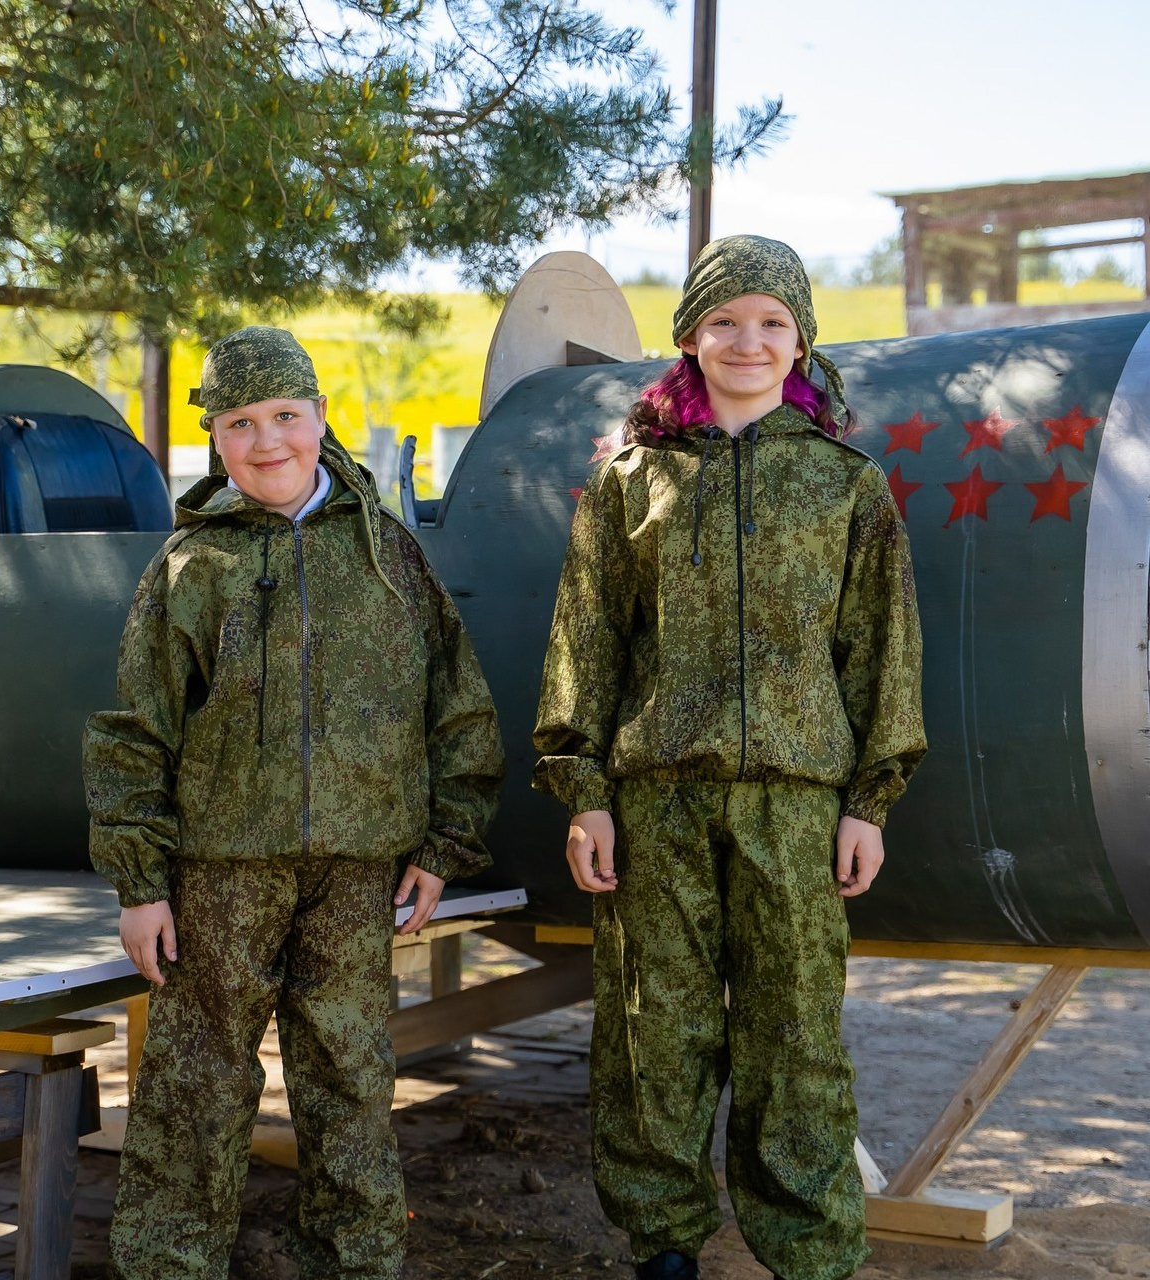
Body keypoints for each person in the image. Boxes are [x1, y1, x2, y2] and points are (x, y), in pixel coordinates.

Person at [532, 235, 926, 1280]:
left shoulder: (843, 483)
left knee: (793, 1039)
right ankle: (662, 1243)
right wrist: (584, 792)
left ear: (798, 339)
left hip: (795, 806)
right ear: (689, 336)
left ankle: (805, 1252)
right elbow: (587, 640)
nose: (746, 340)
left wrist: (865, 803)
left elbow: (880, 652)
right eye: (723, 320)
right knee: (650, 1034)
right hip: (653, 797)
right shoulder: (629, 480)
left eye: (770, 322)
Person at [83, 325, 505, 1280]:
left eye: (286, 417)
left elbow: (457, 708)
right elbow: (133, 733)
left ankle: (355, 1262)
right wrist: (140, 881)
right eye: (242, 423)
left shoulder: (391, 557)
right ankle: (170, 1267)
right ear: (215, 440)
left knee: (352, 1086)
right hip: (219, 875)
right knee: (196, 1085)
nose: (268, 441)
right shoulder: (192, 570)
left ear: (321, 419)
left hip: (360, 874)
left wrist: (443, 846)